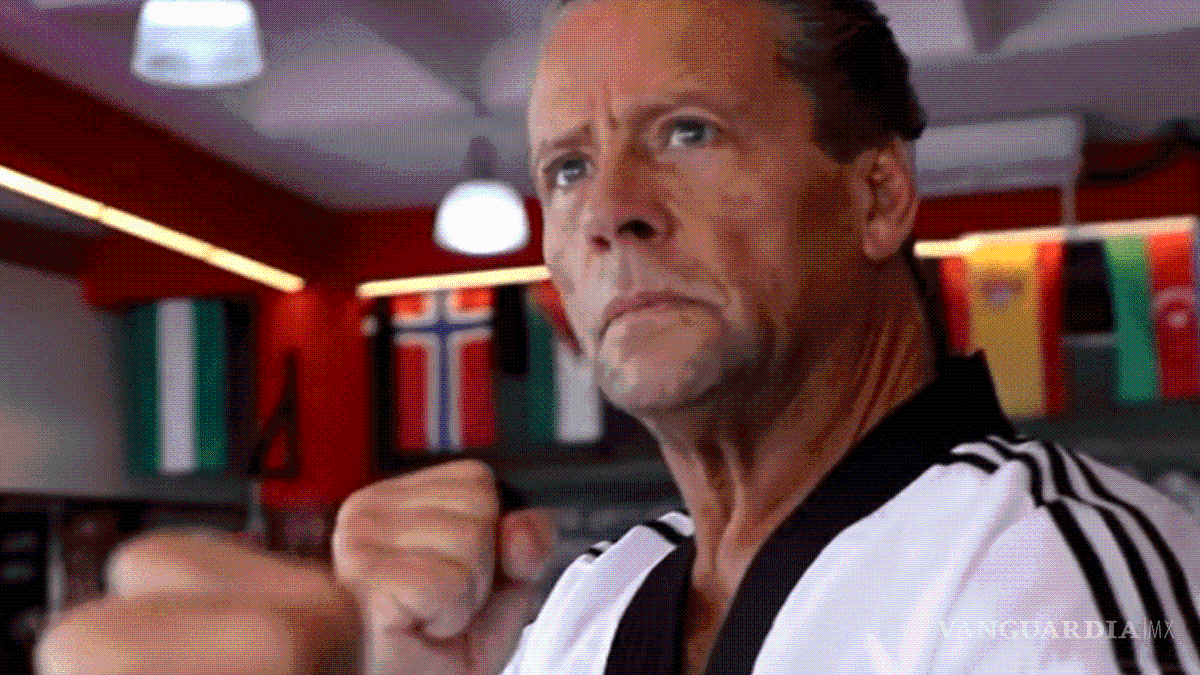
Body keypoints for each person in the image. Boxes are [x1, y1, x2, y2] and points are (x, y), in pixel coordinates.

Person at [34, 0, 1200, 673]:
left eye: (687, 132)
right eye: (567, 169)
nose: (608, 211)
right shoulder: (592, 598)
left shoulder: (1045, 565)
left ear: (877, 195)